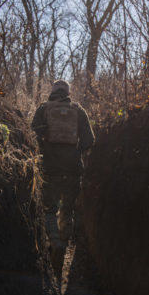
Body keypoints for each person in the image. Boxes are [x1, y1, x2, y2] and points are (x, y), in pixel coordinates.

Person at [31, 80, 95, 278]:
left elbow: (32, 134)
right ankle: (62, 249)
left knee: (49, 208)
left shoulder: (43, 109)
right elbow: (89, 141)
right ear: (68, 93)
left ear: (52, 92)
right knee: (66, 210)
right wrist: (76, 154)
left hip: (49, 169)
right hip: (72, 171)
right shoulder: (78, 110)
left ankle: (54, 243)